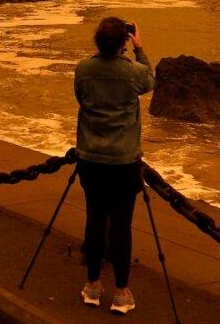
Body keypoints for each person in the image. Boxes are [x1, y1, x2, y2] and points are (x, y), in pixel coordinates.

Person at [74, 17, 156, 316]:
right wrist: (139, 47)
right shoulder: (133, 72)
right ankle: (121, 292)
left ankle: (93, 285)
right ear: (124, 42)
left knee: (95, 220)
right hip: (123, 161)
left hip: (91, 158)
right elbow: (150, 80)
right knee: (121, 225)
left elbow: (80, 97)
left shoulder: (84, 69)